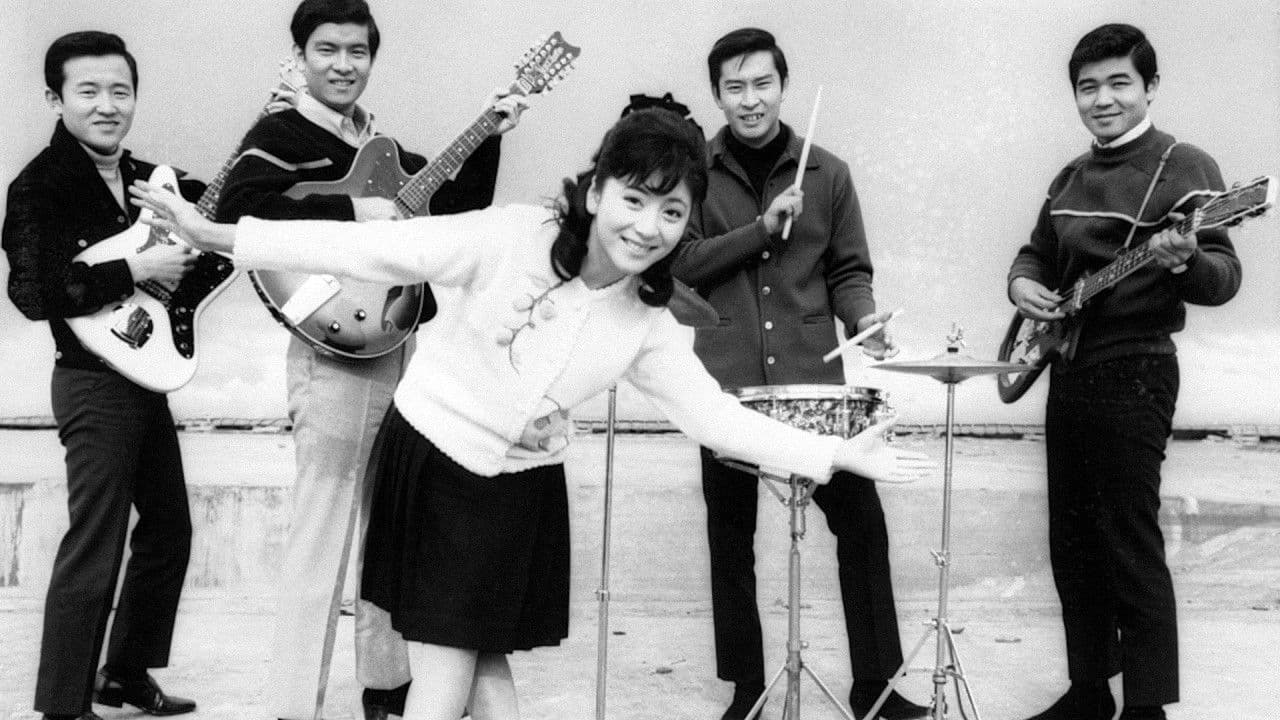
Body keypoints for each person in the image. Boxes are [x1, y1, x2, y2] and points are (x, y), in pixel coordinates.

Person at [132, 106, 934, 720]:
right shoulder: (514, 236)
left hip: (519, 490)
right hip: (436, 461)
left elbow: (713, 418)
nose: (647, 227)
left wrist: (834, 455)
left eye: (672, 212)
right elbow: (372, 250)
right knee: (447, 673)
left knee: (483, 665)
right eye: (634, 199)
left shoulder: (648, 319)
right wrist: (220, 234)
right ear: (597, 191)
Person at [213, 2, 526, 719]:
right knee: (322, 531)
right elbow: (239, 212)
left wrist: (488, 138)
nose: (343, 64)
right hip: (332, 352)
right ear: (300, 57)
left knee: (392, 529)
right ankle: (293, 705)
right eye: (327, 49)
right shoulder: (278, 136)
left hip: (395, 341)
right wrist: (354, 215)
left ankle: (387, 689)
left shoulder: (379, 146)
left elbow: (451, 212)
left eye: (357, 51)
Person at [669, 28, 927, 720]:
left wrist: (865, 318)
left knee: (861, 525)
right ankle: (747, 690)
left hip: (814, 382)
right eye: (734, 87)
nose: (750, 99)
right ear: (717, 94)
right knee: (730, 542)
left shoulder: (830, 174)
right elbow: (682, 264)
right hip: (724, 385)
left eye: (762, 84)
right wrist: (761, 227)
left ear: (783, 86)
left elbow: (848, 272)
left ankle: (877, 688)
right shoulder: (694, 173)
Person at [1006, 24, 1240, 720]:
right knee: (1071, 539)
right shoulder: (1069, 177)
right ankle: (1087, 693)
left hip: (1136, 368)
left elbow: (1224, 277)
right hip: (1069, 368)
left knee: (1128, 539)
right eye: (1088, 87)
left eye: (1119, 83)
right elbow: (1035, 254)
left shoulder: (1185, 166)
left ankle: (1146, 706)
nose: (1102, 99)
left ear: (1150, 87)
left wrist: (1185, 262)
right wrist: (1022, 284)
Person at [2, 31, 203, 720]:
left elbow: (224, 212)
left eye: (121, 90)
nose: (107, 105)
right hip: (90, 382)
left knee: (169, 531)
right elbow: (33, 292)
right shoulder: (39, 186)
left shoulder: (153, 179)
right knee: (96, 543)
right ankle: (63, 705)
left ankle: (123, 675)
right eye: (88, 91)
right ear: (55, 98)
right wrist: (135, 268)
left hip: (146, 379)